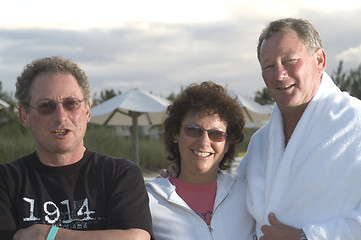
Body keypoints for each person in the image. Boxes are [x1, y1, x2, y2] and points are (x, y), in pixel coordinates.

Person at [0, 56, 153, 240]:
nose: (60, 116)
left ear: (87, 111)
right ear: (24, 116)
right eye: (46, 106)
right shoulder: (6, 180)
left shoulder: (120, 174)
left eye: (71, 104)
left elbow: (136, 238)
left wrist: (47, 235)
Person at [243, 18, 361, 239]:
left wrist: (306, 237)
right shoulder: (260, 142)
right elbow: (228, 198)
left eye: (289, 60)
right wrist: (181, 173)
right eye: (269, 66)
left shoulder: (356, 123)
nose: (279, 75)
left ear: (320, 60)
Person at [146, 81, 254, 239]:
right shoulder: (148, 199)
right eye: (193, 130)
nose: (204, 142)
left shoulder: (247, 193)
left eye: (216, 134)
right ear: (176, 134)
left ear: (227, 143)